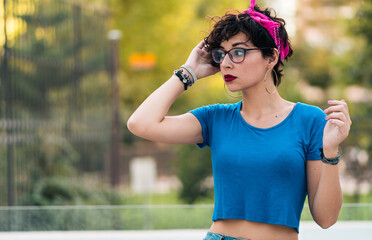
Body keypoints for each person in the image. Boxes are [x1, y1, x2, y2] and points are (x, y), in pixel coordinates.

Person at [127, 0, 352, 239]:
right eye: (221, 54)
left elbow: (326, 219)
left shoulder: (309, 120)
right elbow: (140, 124)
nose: (225, 63)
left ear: (271, 57)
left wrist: (330, 150)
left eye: (238, 52)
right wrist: (188, 71)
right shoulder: (215, 118)